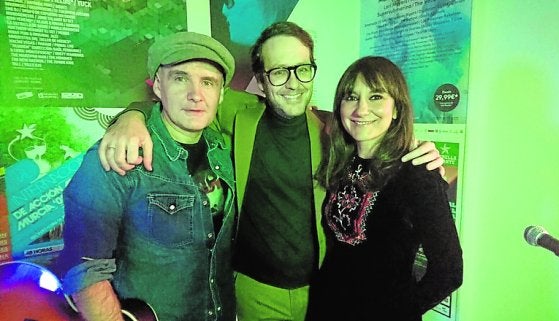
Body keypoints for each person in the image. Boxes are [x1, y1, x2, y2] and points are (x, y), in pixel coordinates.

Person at [97, 22, 445, 321]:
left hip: (323, 293)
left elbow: (385, 145)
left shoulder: (334, 128)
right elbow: (176, 100)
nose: (292, 83)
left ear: (312, 70)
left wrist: (424, 154)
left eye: (301, 69)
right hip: (255, 292)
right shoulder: (238, 112)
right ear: (261, 81)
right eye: (278, 72)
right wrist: (131, 116)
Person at [56, 32, 238, 321]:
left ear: (221, 94)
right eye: (180, 78)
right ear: (158, 87)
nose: (196, 94)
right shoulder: (118, 154)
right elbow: (84, 270)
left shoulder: (226, 150)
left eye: (208, 82)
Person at [306, 56, 463, 321]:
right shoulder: (341, 162)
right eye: (351, 97)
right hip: (327, 308)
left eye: (376, 96)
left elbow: (449, 272)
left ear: (397, 109)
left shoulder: (417, 174)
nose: (361, 109)